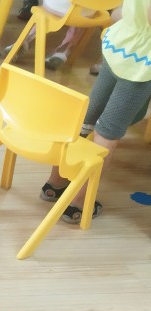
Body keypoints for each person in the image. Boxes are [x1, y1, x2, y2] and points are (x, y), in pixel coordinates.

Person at [43, 0, 151, 222]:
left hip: (119, 44)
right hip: (142, 63)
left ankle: (55, 184)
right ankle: (78, 203)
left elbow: (118, 13)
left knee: (88, 117)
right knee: (108, 133)